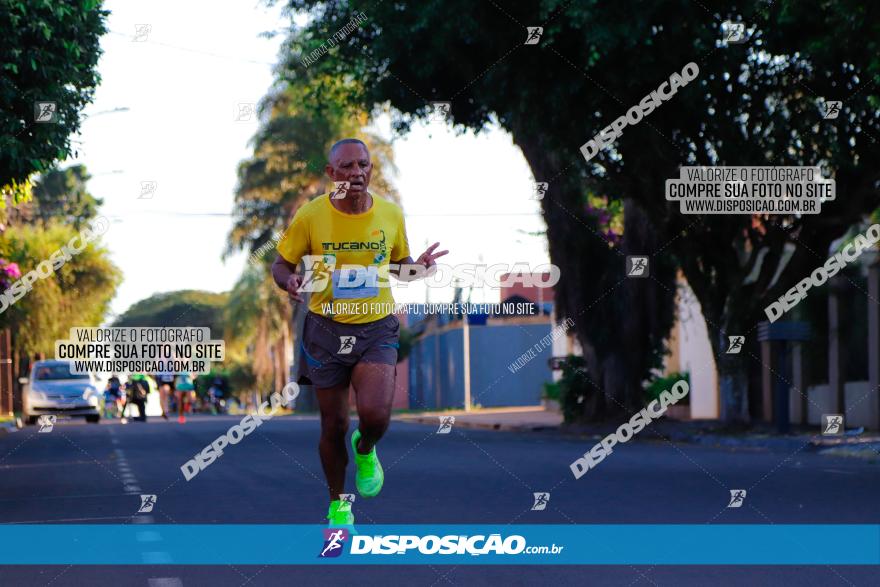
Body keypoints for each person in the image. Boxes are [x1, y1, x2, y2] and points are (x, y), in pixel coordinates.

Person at [271, 138, 447, 527]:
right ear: (331, 174)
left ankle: (365, 448)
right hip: (325, 328)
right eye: (346, 167)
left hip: (376, 327)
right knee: (332, 424)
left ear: (371, 169)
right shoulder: (311, 215)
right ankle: (338, 503)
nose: (356, 173)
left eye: (362, 165)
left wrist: (419, 267)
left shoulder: (389, 214)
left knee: (375, 415)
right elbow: (280, 264)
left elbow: (398, 268)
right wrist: (290, 281)